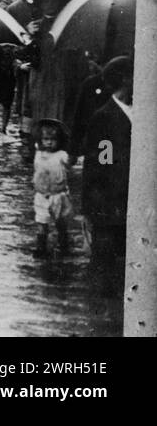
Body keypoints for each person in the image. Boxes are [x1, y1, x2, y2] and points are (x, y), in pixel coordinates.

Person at [81, 56, 132, 296]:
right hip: (109, 203)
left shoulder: (144, 114)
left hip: (132, 203)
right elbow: (100, 165)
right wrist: (91, 209)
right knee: (105, 270)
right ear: (124, 80)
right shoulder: (104, 117)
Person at [31, 118, 72, 259]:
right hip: (42, 195)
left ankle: (63, 242)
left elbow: (70, 162)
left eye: (53, 139)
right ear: (40, 140)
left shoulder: (61, 155)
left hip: (58, 194)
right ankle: (41, 246)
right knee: (41, 222)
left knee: (60, 221)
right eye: (46, 139)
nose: (49, 142)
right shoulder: (38, 154)